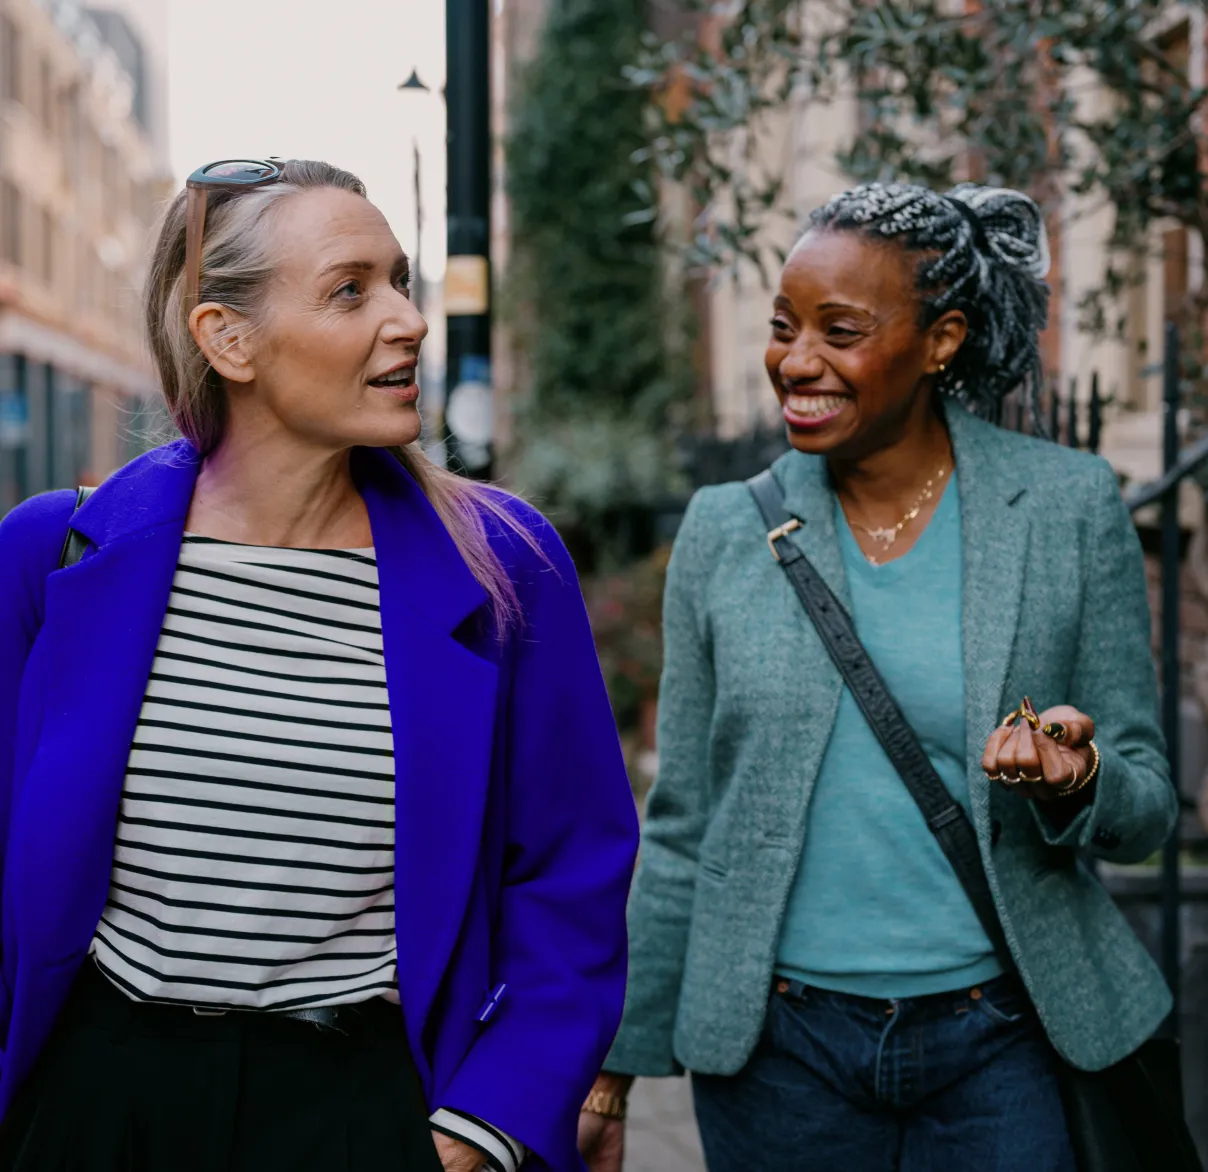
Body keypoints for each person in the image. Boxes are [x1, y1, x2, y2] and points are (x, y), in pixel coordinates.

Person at [0, 158, 639, 1172]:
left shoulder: (499, 562)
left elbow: (570, 869)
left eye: (399, 279)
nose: (407, 319)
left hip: (361, 1109)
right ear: (229, 338)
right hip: (95, 1101)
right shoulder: (54, 553)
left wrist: (482, 1127)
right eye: (351, 289)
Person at [577, 182, 1177, 1172]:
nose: (795, 360)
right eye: (782, 326)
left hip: (1004, 1036)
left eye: (839, 329)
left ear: (940, 339)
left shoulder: (1064, 507)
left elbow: (1146, 803)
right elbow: (683, 820)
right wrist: (614, 1070)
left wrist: (1079, 779)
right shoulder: (725, 530)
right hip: (777, 1053)